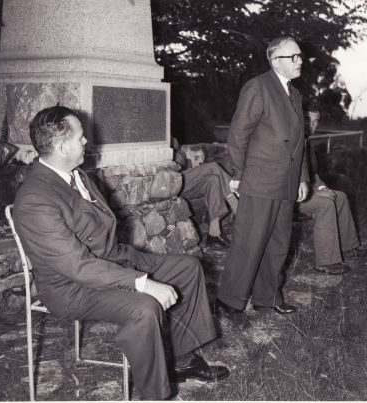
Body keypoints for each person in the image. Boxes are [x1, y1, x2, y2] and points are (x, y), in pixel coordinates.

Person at [13, 106, 229, 400]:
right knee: (144, 307)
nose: (86, 141)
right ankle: (155, 394)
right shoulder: (36, 198)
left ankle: (183, 360)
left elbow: (101, 231)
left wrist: (133, 268)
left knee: (188, 267)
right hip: (71, 286)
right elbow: (76, 266)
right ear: (62, 146)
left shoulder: (77, 175)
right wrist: (141, 282)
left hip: (110, 259)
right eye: (80, 137)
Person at [216, 36, 310, 327]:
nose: (299, 61)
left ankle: (267, 299)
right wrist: (237, 175)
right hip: (259, 179)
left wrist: (303, 178)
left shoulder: (295, 95)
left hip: (286, 181)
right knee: (249, 242)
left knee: (278, 243)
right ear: (274, 60)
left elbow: (300, 143)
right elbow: (237, 135)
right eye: (292, 57)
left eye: (299, 56)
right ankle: (229, 301)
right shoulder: (258, 87)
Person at [298, 109, 367, 275]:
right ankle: (326, 261)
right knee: (325, 204)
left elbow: (312, 174)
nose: (313, 125)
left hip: (305, 190)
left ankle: (348, 246)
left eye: (316, 121)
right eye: (309, 121)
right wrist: (315, 193)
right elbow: (288, 177)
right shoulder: (291, 141)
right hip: (289, 197)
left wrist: (322, 188)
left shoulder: (307, 143)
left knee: (340, 197)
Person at [172, 137, 238, 248]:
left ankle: (214, 233)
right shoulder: (158, 140)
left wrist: (179, 154)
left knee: (213, 180)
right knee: (213, 167)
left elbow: (181, 162)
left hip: (181, 182)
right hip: (171, 184)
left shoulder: (172, 140)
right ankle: (236, 205)